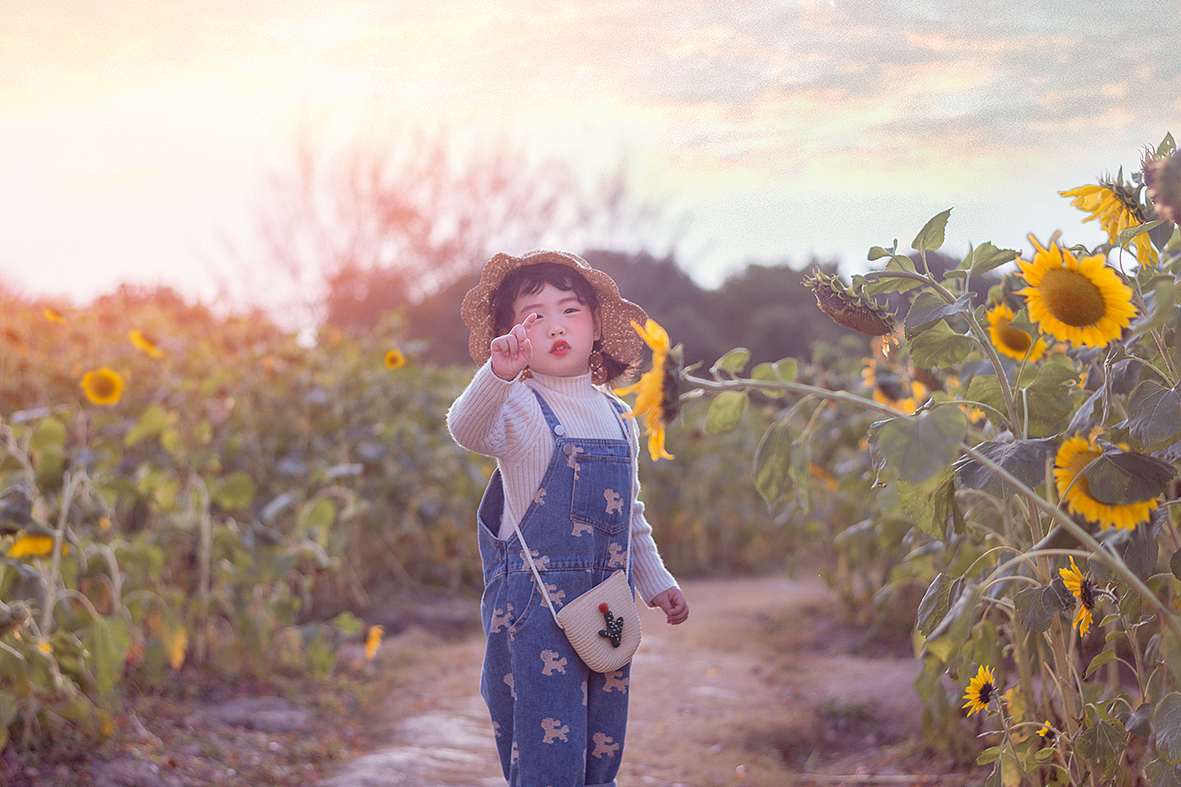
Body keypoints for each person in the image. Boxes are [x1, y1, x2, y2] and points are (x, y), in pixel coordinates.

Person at [447, 249, 689, 787]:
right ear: (512, 334)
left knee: (601, 748)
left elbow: (630, 515)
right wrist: (498, 374)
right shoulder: (519, 406)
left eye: (570, 310)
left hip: (607, 602)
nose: (555, 325)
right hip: (537, 610)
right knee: (546, 755)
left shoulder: (618, 413)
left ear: (597, 325)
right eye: (534, 315)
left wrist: (657, 582)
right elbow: (466, 428)